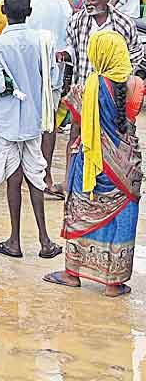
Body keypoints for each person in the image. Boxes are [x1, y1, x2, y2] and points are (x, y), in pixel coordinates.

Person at [44, 29, 143, 296]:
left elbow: (76, 128)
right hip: (125, 167)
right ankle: (113, 283)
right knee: (121, 219)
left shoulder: (86, 88)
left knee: (80, 213)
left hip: (91, 163)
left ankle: (72, 273)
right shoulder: (136, 85)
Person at [0, 0, 64, 260]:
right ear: (29, 13)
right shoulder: (43, 40)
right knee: (36, 176)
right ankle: (45, 240)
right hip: (34, 118)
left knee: (13, 178)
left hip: (8, 120)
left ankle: (15, 241)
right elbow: (53, 79)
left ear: (3, 12)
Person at [19, 0, 73, 195]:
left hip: (26, 72)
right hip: (54, 72)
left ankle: (23, 174)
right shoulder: (61, 2)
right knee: (48, 123)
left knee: (24, 122)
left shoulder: (22, 0)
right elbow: (69, 38)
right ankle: (45, 173)